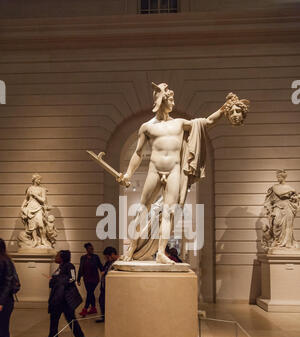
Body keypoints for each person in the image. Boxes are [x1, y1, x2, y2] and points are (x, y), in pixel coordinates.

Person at [117, 83, 249, 264]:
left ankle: (161, 253)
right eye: (170, 99)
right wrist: (128, 174)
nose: (173, 102)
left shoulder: (180, 124)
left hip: (174, 171)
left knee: (168, 212)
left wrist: (224, 109)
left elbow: (207, 122)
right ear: (162, 100)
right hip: (154, 170)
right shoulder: (146, 127)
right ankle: (131, 248)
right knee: (142, 209)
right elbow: (138, 153)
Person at [47, 250, 85, 337]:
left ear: (62, 257)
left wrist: (59, 280)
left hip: (65, 299)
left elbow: (72, 278)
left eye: (57, 255)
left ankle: (80, 336)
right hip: (57, 298)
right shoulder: (60, 267)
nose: (56, 257)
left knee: (70, 318)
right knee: (54, 319)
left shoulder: (70, 266)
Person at [0, 239, 17, 337]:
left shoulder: (6, 262)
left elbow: (7, 283)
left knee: (2, 330)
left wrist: (1, 302)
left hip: (4, 302)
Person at [77, 243, 103, 317]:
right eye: (90, 249)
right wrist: (78, 279)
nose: (92, 250)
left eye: (92, 249)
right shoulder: (83, 258)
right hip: (86, 279)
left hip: (94, 279)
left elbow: (100, 266)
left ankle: (85, 309)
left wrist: (104, 271)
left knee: (89, 293)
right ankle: (93, 308)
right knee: (90, 293)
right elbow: (80, 268)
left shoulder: (96, 257)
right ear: (87, 249)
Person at [96, 246, 118, 323]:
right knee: (101, 301)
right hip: (104, 287)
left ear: (112, 254)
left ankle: (109, 318)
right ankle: (104, 317)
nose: (106, 258)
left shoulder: (117, 263)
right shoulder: (108, 263)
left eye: (107, 257)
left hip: (111, 288)